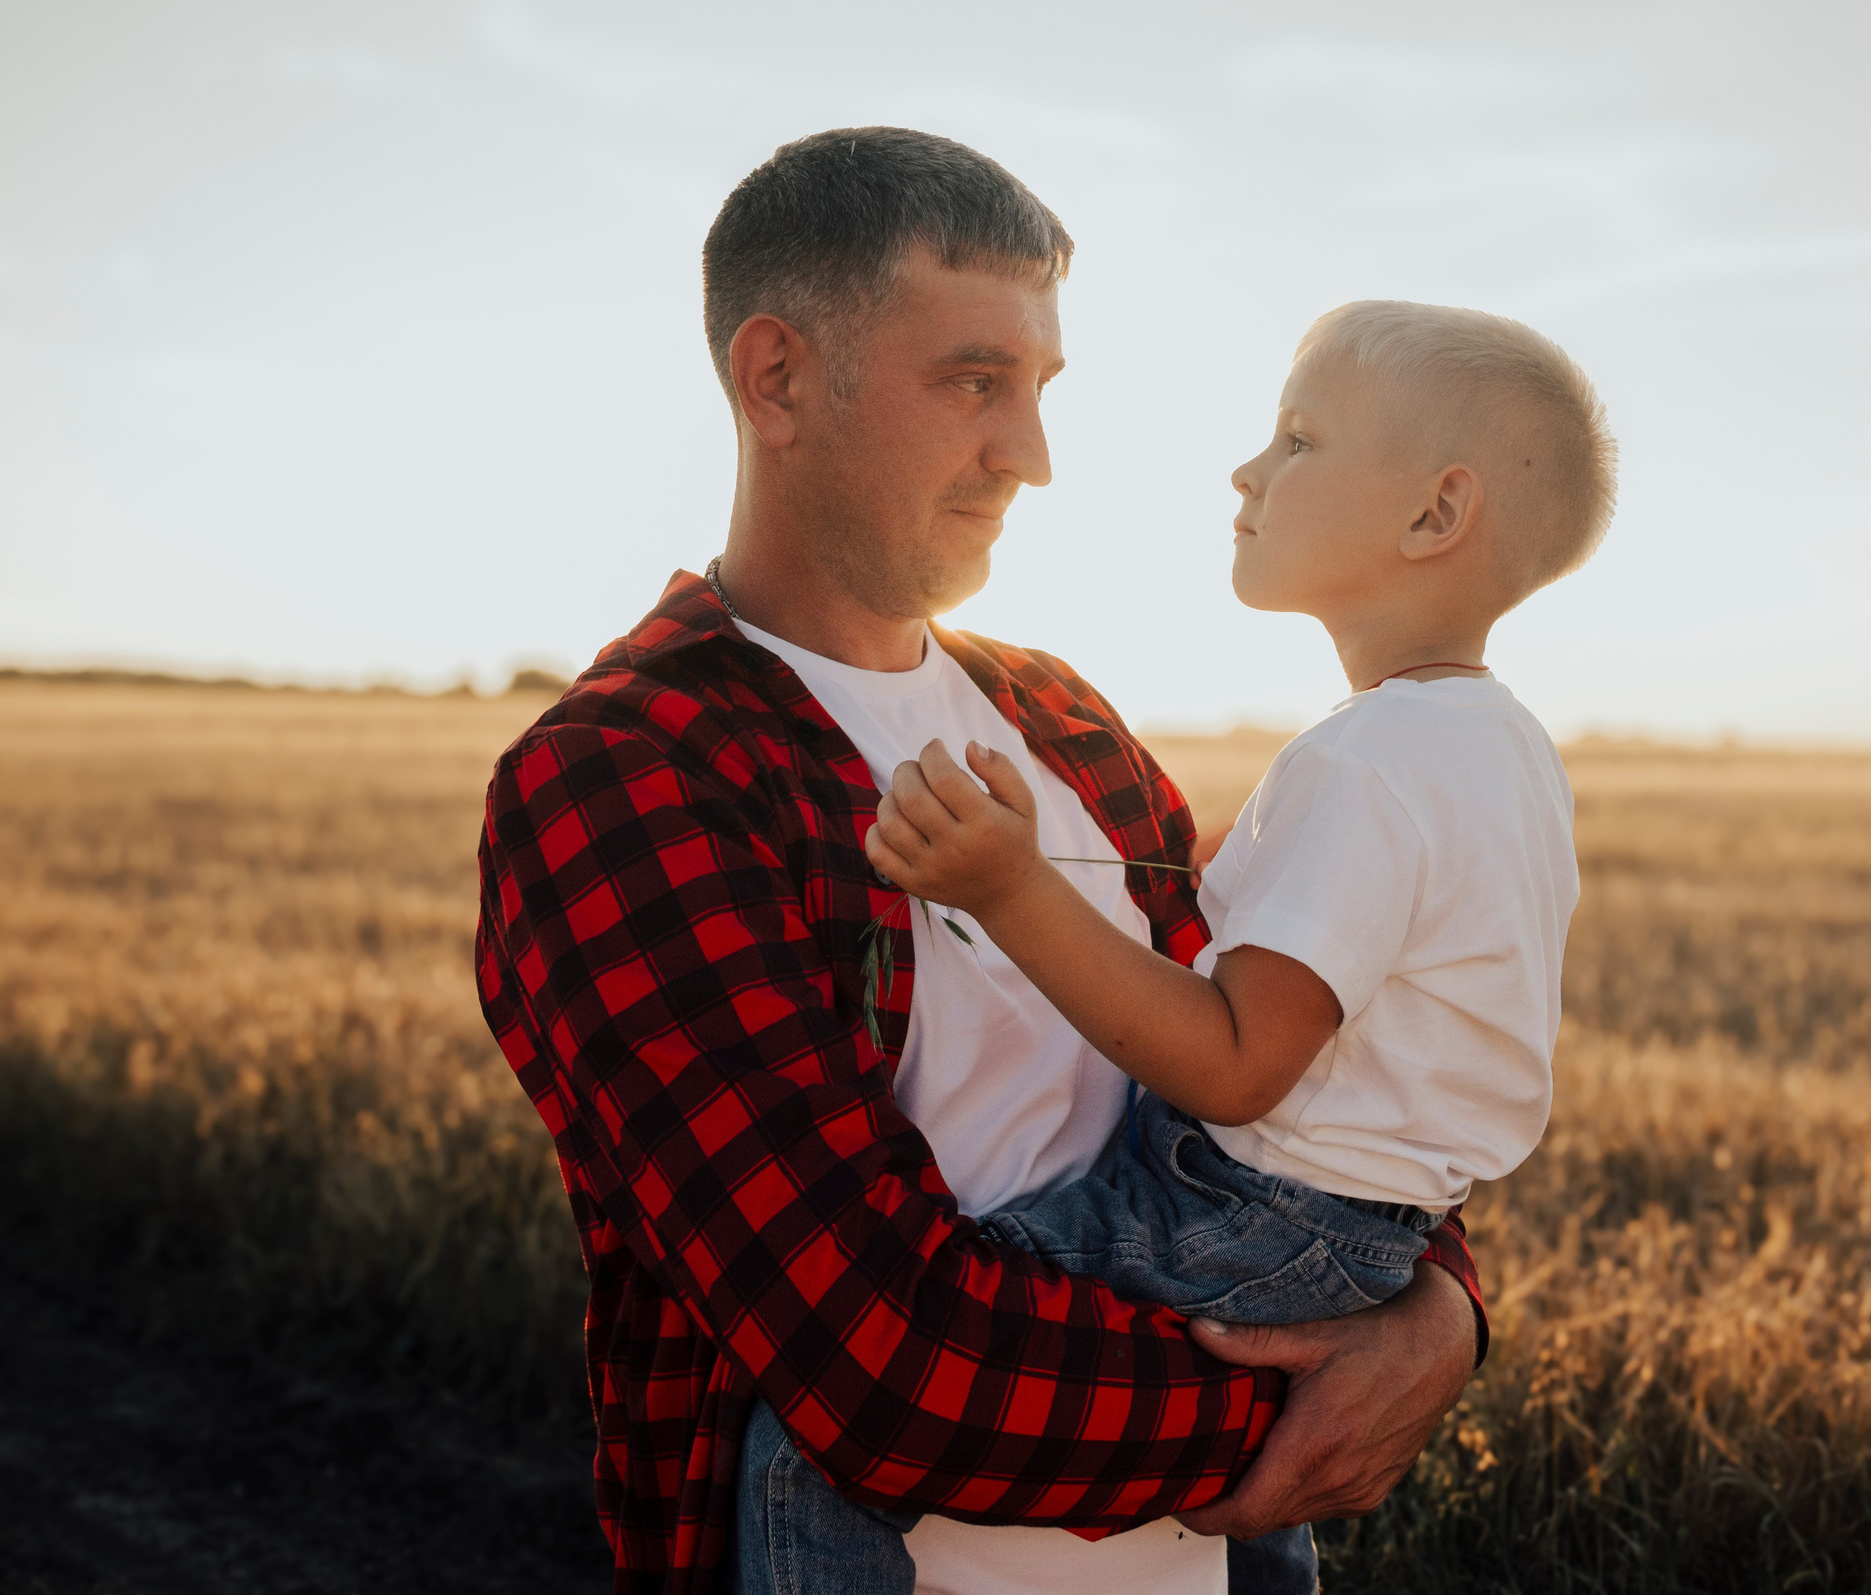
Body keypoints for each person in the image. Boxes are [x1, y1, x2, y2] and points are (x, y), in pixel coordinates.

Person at [473, 129, 1487, 1595]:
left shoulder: (1061, 717)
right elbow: (876, 1363)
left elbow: (1297, 1078)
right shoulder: (631, 774)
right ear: (778, 380)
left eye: (1039, 388)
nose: (1032, 455)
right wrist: (1317, 1395)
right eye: (973, 382)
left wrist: (1442, 1310)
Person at [748, 300, 1609, 1591]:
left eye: (1299, 439)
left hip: (1250, 1207)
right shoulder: (1508, 751)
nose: (1246, 471)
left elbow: (1237, 1064)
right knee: (1260, 1447)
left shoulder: (1366, 765)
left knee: (806, 1447)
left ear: (1437, 514)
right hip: (1374, 1232)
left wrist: (1009, 888)